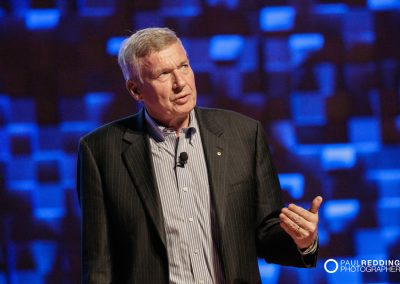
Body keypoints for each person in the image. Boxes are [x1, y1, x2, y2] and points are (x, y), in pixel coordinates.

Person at [77, 27, 323, 284]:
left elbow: (267, 234)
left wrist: (302, 241)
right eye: (164, 74)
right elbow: (98, 265)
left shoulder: (244, 134)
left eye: (184, 66)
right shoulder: (100, 152)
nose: (180, 83)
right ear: (135, 90)